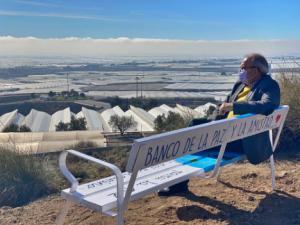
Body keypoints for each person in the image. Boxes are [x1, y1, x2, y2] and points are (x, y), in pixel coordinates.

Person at [158, 53, 280, 196]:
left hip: (242, 140)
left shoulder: (269, 85)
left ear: (257, 70)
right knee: (192, 126)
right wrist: (215, 117)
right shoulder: (240, 85)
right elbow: (225, 106)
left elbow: (268, 104)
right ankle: (178, 181)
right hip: (225, 131)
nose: (240, 72)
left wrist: (234, 106)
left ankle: (178, 184)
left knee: (190, 141)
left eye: (243, 68)